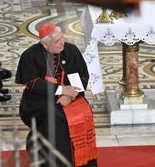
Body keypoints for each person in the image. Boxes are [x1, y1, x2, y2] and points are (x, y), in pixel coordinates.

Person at [16, 24, 98, 167]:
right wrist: (60, 90)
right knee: (53, 118)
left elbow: (83, 77)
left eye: (62, 38)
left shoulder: (71, 50)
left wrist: (70, 96)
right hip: (39, 99)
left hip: (71, 96)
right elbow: (33, 83)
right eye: (57, 41)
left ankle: (81, 161)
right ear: (45, 44)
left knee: (81, 115)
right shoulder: (30, 55)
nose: (63, 43)